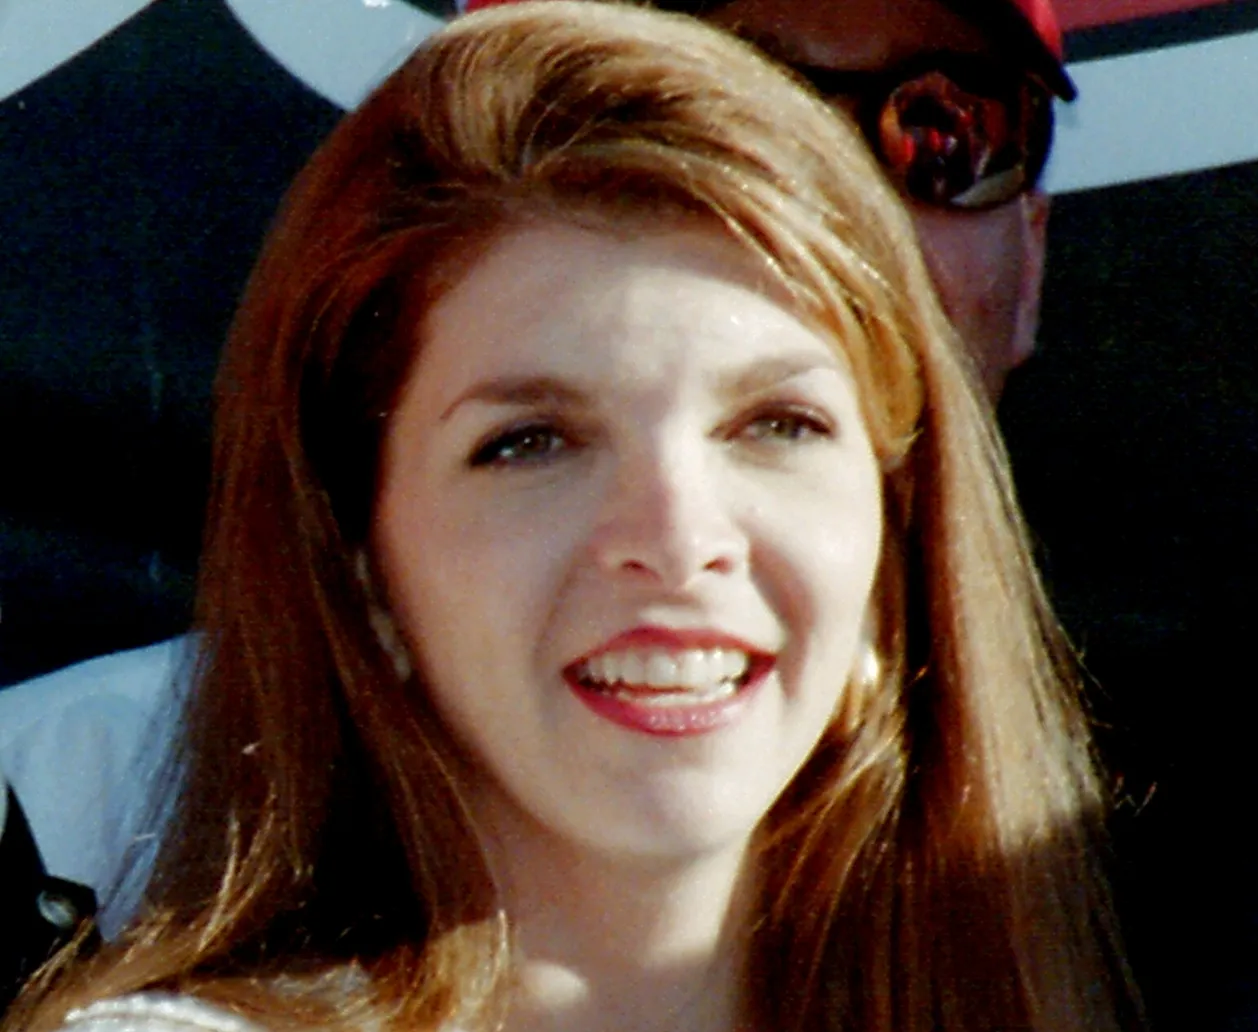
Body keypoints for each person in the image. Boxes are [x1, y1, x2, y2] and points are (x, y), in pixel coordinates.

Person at [0, 6, 1236, 1032]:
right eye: (531, 442)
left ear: (897, 541)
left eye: (774, 425)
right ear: (362, 563)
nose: (675, 537)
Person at [0, 0, 1070, 925]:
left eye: (945, 128)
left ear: (1029, 260)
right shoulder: (78, 809)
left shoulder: (1114, 883)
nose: (841, 204)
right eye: (728, 108)